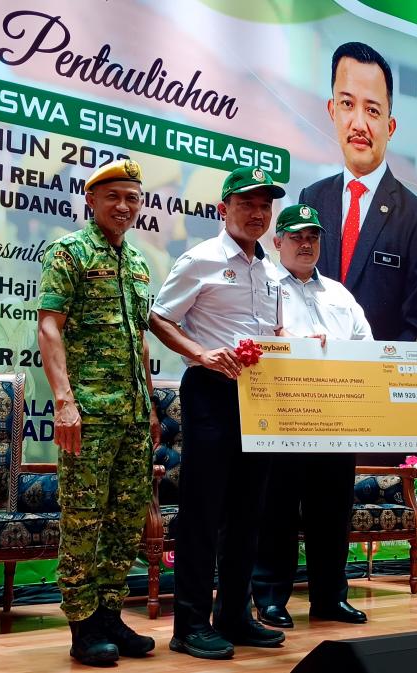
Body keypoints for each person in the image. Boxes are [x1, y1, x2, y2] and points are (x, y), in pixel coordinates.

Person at [149, 166, 288, 660]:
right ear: (222, 209)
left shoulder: (271, 269)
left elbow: (271, 331)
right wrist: (200, 353)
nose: (258, 213)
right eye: (248, 203)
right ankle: (189, 622)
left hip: (262, 396)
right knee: (203, 510)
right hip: (210, 391)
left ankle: (234, 614)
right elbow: (159, 317)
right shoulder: (200, 259)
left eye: (265, 206)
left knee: (249, 512)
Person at [38, 159, 159, 666]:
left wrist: (150, 407)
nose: (125, 206)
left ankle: (110, 614)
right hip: (88, 415)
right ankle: (82, 626)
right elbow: (50, 328)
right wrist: (64, 402)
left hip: (133, 417)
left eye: (133, 197)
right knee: (84, 520)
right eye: (114, 196)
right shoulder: (69, 252)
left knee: (126, 522)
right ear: (92, 200)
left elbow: (141, 343)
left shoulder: (137, 264)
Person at [252, 204, 372, 630]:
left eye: (314, 236)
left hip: (337, 422)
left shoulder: (340, 294)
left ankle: (329, 598)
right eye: (297, 235)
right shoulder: (261, 283)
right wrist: (301, 344)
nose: (306, 243)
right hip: (282, 418)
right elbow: (255, 341)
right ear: (277, 241)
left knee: (331, 513)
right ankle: (269, 598)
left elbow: (365, 349)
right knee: (277, 513)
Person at [301, 41, 417, 343]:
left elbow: (415, 326)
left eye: (373, 110)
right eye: (347, 104)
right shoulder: (311, 200)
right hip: (313, 379)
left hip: (379, 383)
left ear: (390, 127)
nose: (359, 124)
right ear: (332, 110)